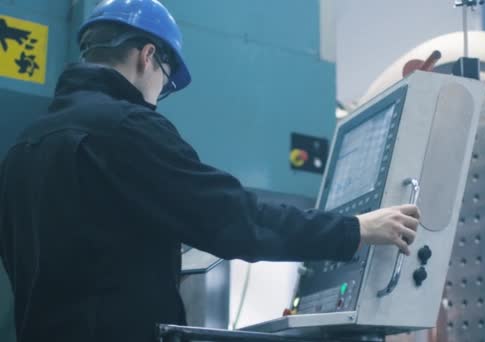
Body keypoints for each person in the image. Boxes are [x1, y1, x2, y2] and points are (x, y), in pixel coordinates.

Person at [0, 1, 421, 341]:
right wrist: (355, 229)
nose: (159, 98)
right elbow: (236, 219)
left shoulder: (23, 147)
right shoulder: (129, 128)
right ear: (148, 56)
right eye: (165, 82)